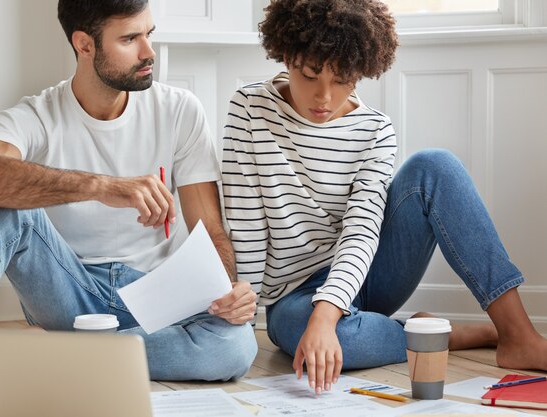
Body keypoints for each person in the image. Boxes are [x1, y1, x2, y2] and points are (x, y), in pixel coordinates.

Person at [0, 0, 259, 413]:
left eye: (148, 34)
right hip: (69, 290)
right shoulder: (38, 115)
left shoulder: (179, 110)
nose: (148, 51)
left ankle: (56, 358)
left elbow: (210, 228)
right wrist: (100, 187)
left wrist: (227, 291)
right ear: (84, 44)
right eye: (130, 39)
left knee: (235, 347)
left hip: (155, 296)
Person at [222, 0, 547, 396]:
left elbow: (361, 231)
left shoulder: (375, 130)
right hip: (295, 294)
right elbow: (246, 222)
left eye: (343, 79)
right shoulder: (250, 109)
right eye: (310, 76)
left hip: (369, 272)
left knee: (435, 165)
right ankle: (440, 333)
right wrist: (243, 314)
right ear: (287, 56)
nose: (324, 96)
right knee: (327, 339)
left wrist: (326, 319)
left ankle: (518, 335)